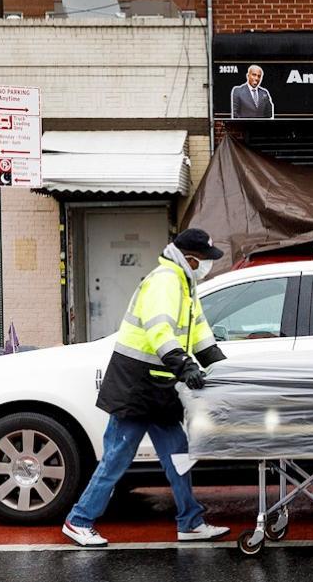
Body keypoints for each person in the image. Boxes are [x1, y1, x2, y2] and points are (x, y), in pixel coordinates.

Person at [62, 228, 230, 547]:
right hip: (135, 386)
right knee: (117, 458)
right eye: (206, 260)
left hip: (159, 388)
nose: (209, 265)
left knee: (179, 455)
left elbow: (199, 333)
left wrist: (220, 365)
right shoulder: (165, 280)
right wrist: (185, 364)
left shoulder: (184, 284)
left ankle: (190, 522)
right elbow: (159, 330)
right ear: (192, 259)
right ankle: (79, 520)